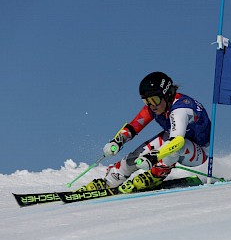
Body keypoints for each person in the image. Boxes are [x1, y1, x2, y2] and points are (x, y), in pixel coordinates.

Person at [78, 71, 211, 193]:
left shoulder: (180, 109)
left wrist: (154, 157)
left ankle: (157, 175)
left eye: (154, 100)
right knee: (137, 155)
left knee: (176, 147)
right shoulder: (155, 107)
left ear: (167, 94)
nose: (151, 105)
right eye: (146, 101)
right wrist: (117, 141)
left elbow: (177, 141)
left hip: (198, 151)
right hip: (173, 140)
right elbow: (134, 126)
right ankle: (110, 181)